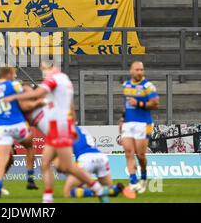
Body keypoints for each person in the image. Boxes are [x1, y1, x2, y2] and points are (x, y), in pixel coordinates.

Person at [4, 61, 109, 203]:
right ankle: (48, 197)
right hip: (55, 131)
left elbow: (61, 102)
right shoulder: (28, 104)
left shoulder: (42, 97)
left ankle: (96, 188)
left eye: (29, 89)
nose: (29, 89)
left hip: (59, 130)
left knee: (64, 166)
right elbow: (30, 104)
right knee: (47, 163)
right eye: (26, 89)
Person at [0, 67, 36, 199]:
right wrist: (28, 89)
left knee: (3, 160)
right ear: (9, 74)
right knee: (30, 147)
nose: (15, 76)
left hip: (2, 127)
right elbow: (25, 97)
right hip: (17, 124)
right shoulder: (14, 84)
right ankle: (30, 178)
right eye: (14, 74)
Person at [61, 126, 136, 200]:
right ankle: (116, 189)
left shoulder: (62, 131)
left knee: (68, 192)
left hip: (85, 159)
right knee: (108, 187)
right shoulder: (81, 129)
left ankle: (94, 192)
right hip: (101, 158)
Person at [120, 61, 159, 194]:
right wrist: (121, 120)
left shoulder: (148, 86)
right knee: (128, 153)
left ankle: (143, 176)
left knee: (140, 155)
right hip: (128, 123)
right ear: (131, 71)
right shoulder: (126, 85)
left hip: (143, 123)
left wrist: (139, 103)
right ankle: (132, 181)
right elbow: (126, 106)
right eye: (137, 69)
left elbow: (155, 104)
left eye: (141, 70)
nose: (140, 72)